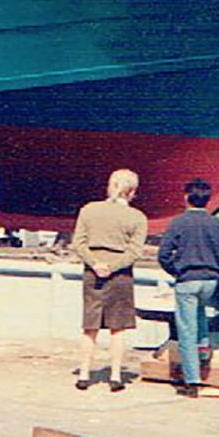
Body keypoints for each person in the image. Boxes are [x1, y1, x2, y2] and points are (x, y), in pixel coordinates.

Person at [71, 168, 147, 392]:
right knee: (118, 328)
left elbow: (78, 243)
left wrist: (95, 264)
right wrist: (112, 267)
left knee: (90, 326)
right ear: (132, 191)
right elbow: (135, 253)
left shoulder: (89, 210)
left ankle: (84, 374)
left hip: (92, 272)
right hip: (120, 275)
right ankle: (115, 376)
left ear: (109, 186)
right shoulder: (138, 217)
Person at [158, 179, 219, 397]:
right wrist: (213, 271)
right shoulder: (215, 223)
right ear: (208, 199)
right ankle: (203, 354)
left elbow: (163, 255)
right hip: (209, 281)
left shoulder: (178, 222)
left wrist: (177, 271)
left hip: (187, 279)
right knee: (200, 317)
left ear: (186, 197)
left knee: (187, 330)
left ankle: (192, 381)